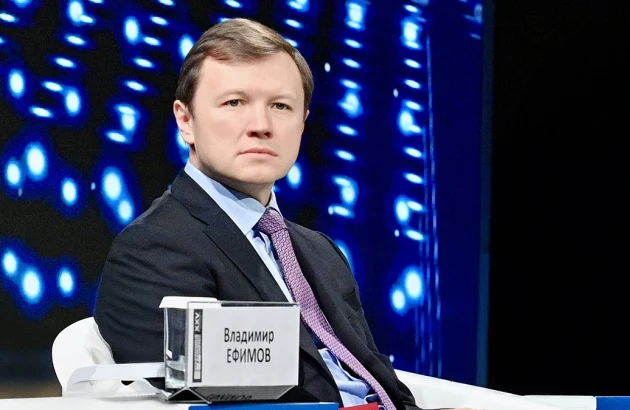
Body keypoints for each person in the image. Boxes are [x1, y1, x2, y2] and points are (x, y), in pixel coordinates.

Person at [94, 17, 421, 410]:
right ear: (186, 120)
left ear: (302, 123)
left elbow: (375, 377)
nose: (261, 126)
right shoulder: (152, 249)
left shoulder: (321, 251)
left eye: (281, 106)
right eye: (235, 102)